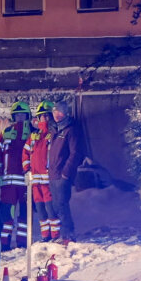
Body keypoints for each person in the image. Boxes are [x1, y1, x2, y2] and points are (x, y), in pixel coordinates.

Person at [0, 101, 34, 250]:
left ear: (27, 115)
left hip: (26, 182)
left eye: (23, 114)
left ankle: (22, 242)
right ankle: (4, 243)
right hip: (8, 182)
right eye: (17, 115)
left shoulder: (33, 132)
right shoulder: (6, 132)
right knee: (6, 214)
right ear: (14, 116)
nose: (20, 117)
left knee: (24, 214)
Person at [22, 101, 59, 242]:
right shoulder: (33, 136)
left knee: (51, 209)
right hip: (35, 180)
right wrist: (27, 169)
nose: (44, 119)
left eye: (46, 116)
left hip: (49, 180)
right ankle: (45, 235)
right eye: (41, 116)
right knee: (40, 210)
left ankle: (55, 235)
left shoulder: (54, 134)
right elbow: (25, 153)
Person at [49, 100, 85, 245]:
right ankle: (63, 234)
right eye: (54, 112)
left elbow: (75, 153)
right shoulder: (55, 130)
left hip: (62, 175)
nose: (56, 114)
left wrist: (66, 172)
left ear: (65, 113)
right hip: (53, 174)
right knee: (57, 206)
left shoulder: (70, 130)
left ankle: (68, 235)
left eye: (59, 111)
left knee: (62, 205)